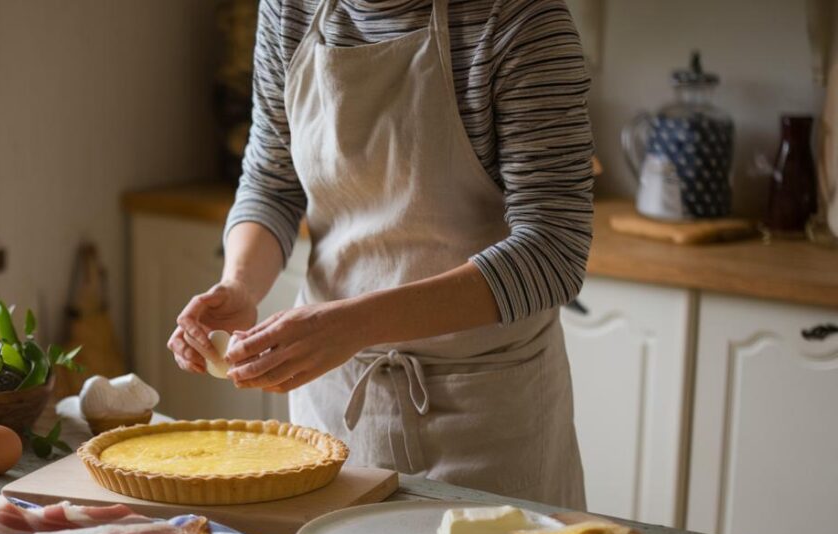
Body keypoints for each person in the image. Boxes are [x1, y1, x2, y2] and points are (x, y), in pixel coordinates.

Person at [168, 0, 593, 508]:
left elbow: (553, 250)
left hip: (485, 414)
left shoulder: (520, 17)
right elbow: (272, 182)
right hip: (334, 402)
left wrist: (353, 325)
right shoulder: (288, 9)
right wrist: (239, 284)